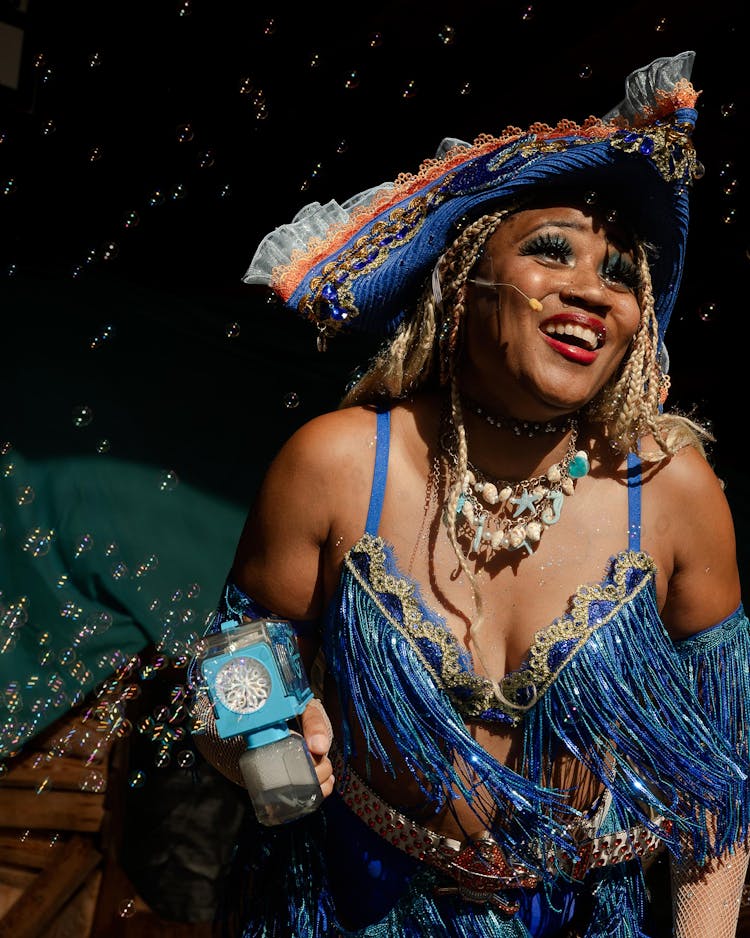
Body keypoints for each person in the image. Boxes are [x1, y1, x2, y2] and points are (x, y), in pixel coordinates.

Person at [191, 51, 750, 937]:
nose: (590, 293)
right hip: (350, 912)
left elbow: (717, 802)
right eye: (551, 250)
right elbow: (235, 651)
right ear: (461, 283)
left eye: (620, 276)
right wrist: (255, 739)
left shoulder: (671, 490)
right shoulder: (340, 464)